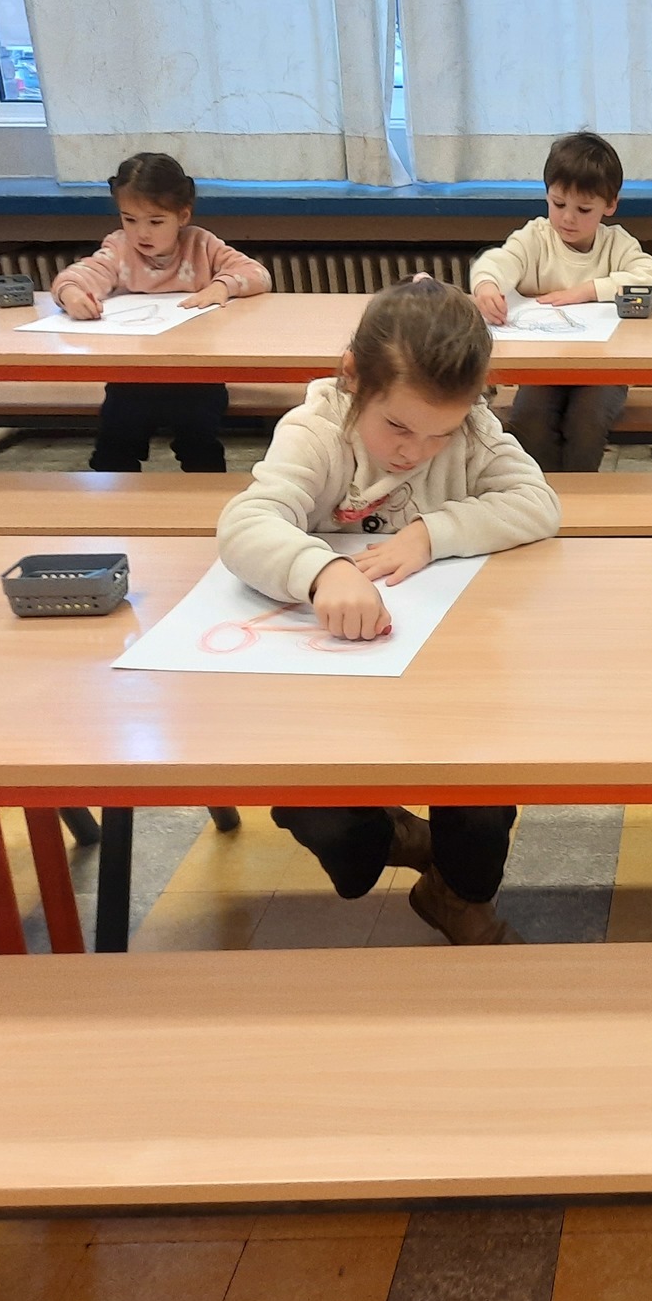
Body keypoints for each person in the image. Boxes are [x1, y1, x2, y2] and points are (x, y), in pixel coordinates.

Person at [217, 276, 560, 944]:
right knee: (326, 819)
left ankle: (458, 896)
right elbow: (246, 523)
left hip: (447, 669)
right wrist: (322, 571)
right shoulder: (317, 431)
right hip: (331, 679)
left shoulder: (472, 434)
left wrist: (432, 532)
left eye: (439, 433)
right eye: (398, 426)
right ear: (353, 378)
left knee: (482, 795)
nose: (414, 450)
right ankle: (401, 837)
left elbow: (537, 503)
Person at [52, 152, 271, 473]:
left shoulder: (201, 245)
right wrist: (71, 293)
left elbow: (257, 273)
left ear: (182, 216)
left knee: (200, 446)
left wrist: (222, 285)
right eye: (129, 220)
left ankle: (204, 497)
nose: (141, 233)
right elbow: (80, 274)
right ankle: (116, 498)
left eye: (155, 222)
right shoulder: (119, 249)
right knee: (114, 444)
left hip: (197, 376)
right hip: (133, 376)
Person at [469, 132, 652, 472]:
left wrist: (588, 290)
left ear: (610, 205)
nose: (568, 218)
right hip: (543, 368)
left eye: (584, 209)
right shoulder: (535, 238)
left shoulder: (616, 244)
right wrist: (487, 284)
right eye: (558, 204)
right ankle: (544, 491)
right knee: (529, 419)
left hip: (604, 371)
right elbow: (499, 261)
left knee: (586, 420)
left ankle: (581, 493)